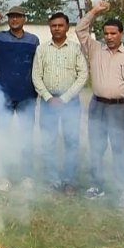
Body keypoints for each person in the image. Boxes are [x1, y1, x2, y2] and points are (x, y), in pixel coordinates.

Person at [75, 1, 124, 209]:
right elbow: (80, 29)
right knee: (96, 147)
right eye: (106, 33)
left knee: (120, 149)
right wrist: (95, 11)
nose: (109, 37)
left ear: (121, 34)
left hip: (120, 108)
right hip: (97, 106)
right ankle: (97, 185)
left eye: (113, 33)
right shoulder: (95, 49)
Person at [0, 5, 40, 192]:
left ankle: (27, 176)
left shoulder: (33, 40)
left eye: (18, 17)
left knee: (26, 138)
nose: (14, 20)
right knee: (3, 137)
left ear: (24, 19)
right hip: (4, 97)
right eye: (11, 17)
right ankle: (4, 177)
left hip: (27, 96)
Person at [32, 12, 88, 193]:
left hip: (70, 102)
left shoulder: (75, 49)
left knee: (71, 141)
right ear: (50, 28)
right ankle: (52, 180)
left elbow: (83, 75)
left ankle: (69, 181)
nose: (56, 29)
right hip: (48, 102)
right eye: (53, 26)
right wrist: (49, 97)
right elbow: (36, 76)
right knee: (49, 142)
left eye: (60, 25)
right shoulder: (42, 49)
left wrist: (64, 98)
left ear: (66, 27)